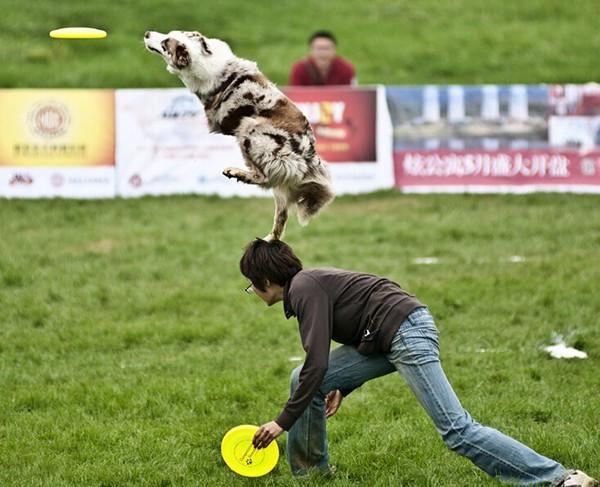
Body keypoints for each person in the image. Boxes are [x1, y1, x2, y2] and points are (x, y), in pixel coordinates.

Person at [239, 239, 597, 486]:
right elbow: (332, 357)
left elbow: (318, 362)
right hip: (386, 334)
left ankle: (559, 478)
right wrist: (342, 384)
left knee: (457, 431)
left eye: (250, 286)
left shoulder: (304, 288)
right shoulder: (308, 284)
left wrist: (281, 423)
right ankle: (311, 476)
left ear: (265, 281)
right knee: (299, 377)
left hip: (406, 333)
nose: (252, 293)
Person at [288, 30, 356, 86]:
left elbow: (351, 93)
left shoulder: (345, 68)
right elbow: (295, 95)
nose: (323, 53)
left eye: (326, 48)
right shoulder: (299, 68)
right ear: (311, 50)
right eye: (319, 48)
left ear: (334, 50)